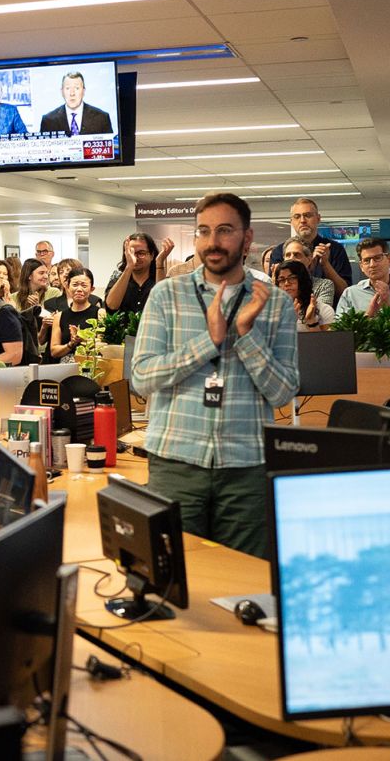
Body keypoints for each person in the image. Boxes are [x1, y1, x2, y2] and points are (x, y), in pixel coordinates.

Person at [131, 192, 298, 559]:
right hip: (175, 462)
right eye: (203, 232)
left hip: (247, 466)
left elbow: (283, 392)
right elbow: (142, 377)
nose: (213, 242)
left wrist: (244, 335)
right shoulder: (166, 296)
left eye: (224, 231)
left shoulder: (276, 303)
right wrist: (210, 341)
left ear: (247, 238)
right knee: (175, 574)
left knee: (243, 580)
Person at [267, 198, 353, 295]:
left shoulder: (335, 249)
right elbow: (272, 294)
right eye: (297, 217)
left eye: (307, 215)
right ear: (291, 221)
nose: (302, 220)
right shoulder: (279, 251)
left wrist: (325, 264)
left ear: (318, 218)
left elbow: (345, 292)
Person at [335, 238, 390, 322]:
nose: (372, 265)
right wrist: (368, 315)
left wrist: (388, 309)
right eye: (366, 260)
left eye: (377, 258)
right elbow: (340, 331)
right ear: (361, 266)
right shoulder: (350, 294)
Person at [11, 258, 61, 362]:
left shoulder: (53, 293)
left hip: (44, 349)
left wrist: (38, 308)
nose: (46, 276)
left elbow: (56, 319)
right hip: (23, 351)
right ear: (29, 276)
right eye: (41, 273)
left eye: (47, 273)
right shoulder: (14, 297)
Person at [49, 269, 101, 363]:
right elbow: (54, 351)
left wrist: (83, 339)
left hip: (92, 365)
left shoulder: (100, 313)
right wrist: (71, 343)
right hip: (66, 367)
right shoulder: (59, 316)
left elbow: (104, 345)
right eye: (75, 285)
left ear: (91, 289)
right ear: (67, 287)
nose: (79, 289)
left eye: (84, 286)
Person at [38, 71, 113, 136]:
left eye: (77, 88)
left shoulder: (102, 118)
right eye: (67, 88)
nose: (72, 93)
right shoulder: (48, 120)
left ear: (83, 91)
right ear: (62, 92)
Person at [104, 232, 160, 314]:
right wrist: (129, 267)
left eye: (141, 253)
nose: (135, 258)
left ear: (152, 255)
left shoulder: (159, 279)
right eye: (131, 253)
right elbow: (111, 306)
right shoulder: (117, 279)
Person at [273, 260, 333, 332]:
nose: (286, 283)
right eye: (282, 280)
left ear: (302, 280)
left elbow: (326, 342)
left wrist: (312, 322)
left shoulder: (323, 310)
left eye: (292, 278)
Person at [279, 238, 336, 307]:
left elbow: (321, 314)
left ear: (309, 259)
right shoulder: (277, 285)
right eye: (288, 255)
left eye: (297, 255)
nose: (291, 258)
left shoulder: (323, 286)